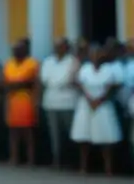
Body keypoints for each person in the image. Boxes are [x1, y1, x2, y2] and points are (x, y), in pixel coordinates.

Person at [71, 43, 122, 175]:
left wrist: (99, 100)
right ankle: (84, 166)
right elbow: (80, 84)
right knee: (84, 137)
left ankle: (108, 168)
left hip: (103, 104)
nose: (95, 56)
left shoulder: (108, 69)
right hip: (86, 105)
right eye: (93, 54)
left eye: (98, 54)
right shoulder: (85, 68)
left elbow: (111, 87)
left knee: (106, 137)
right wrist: (90, 99)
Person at [40, 38, 78, 169]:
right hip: (51, 102)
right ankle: (57, 160)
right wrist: (58, 83)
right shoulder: (48, 61)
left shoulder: (72, 61)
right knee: (54, 134)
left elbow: (68, 79)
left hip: (68, 102)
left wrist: (57, 83)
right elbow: (45, 78)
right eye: (56, 47)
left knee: (69, 132)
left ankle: (72, 160)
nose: (58, 49)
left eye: (61, 46)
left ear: (66, 48)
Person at [3, 38, 39, 166]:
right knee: (13, 132)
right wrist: (21, 84)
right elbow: (7, 83)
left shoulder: (32, 63)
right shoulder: (9, 64)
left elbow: (32, 82)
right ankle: (14, 158)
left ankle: (31, 160)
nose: (16, 51)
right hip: (12, 101)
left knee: (27, 132)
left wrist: (19, 84)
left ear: (25, 50)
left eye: (19, 49)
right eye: (14, 49)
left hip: (27, 100)